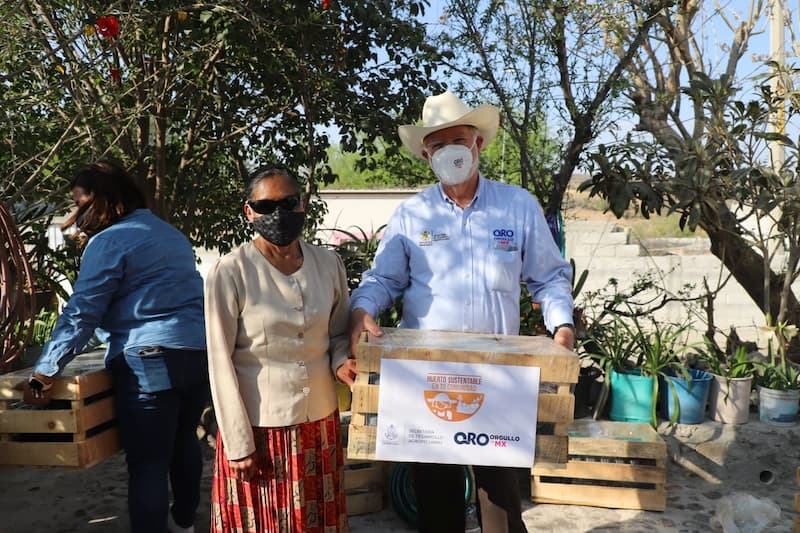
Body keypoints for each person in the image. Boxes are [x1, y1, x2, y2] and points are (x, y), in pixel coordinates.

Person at [346, 91, 576, 533]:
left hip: (497, 376)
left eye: (459, 139)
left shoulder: (517, 206)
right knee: (436, 500)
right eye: (438, 143)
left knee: (500, 500)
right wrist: (363, 310)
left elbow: (548, 278)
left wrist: (561, 326)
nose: (450, 149)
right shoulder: (413, 215)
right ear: (426, 154)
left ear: (478, 144)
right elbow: (382, 281)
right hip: (429, 379)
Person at [24, 160, 209, 533]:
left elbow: (82, 312)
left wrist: (45, 372)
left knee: (149, 464)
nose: (77, 216)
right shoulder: (172, 235)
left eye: (81, 204)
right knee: (184, 442)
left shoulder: (109, 241)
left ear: (105, 200)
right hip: (198, 354)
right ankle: (184, 522)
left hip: (149, 361)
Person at [204, 164, 355, 533]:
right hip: (260, 429)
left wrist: (341, 364)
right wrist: (238, 443)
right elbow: (219, 362)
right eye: (267, 206)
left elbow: (337, 334)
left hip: (319, 426)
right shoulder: (231, 271)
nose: (279, 215)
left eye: (288, 203)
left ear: (303, 204)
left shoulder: (327, 263)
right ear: (249, 211)